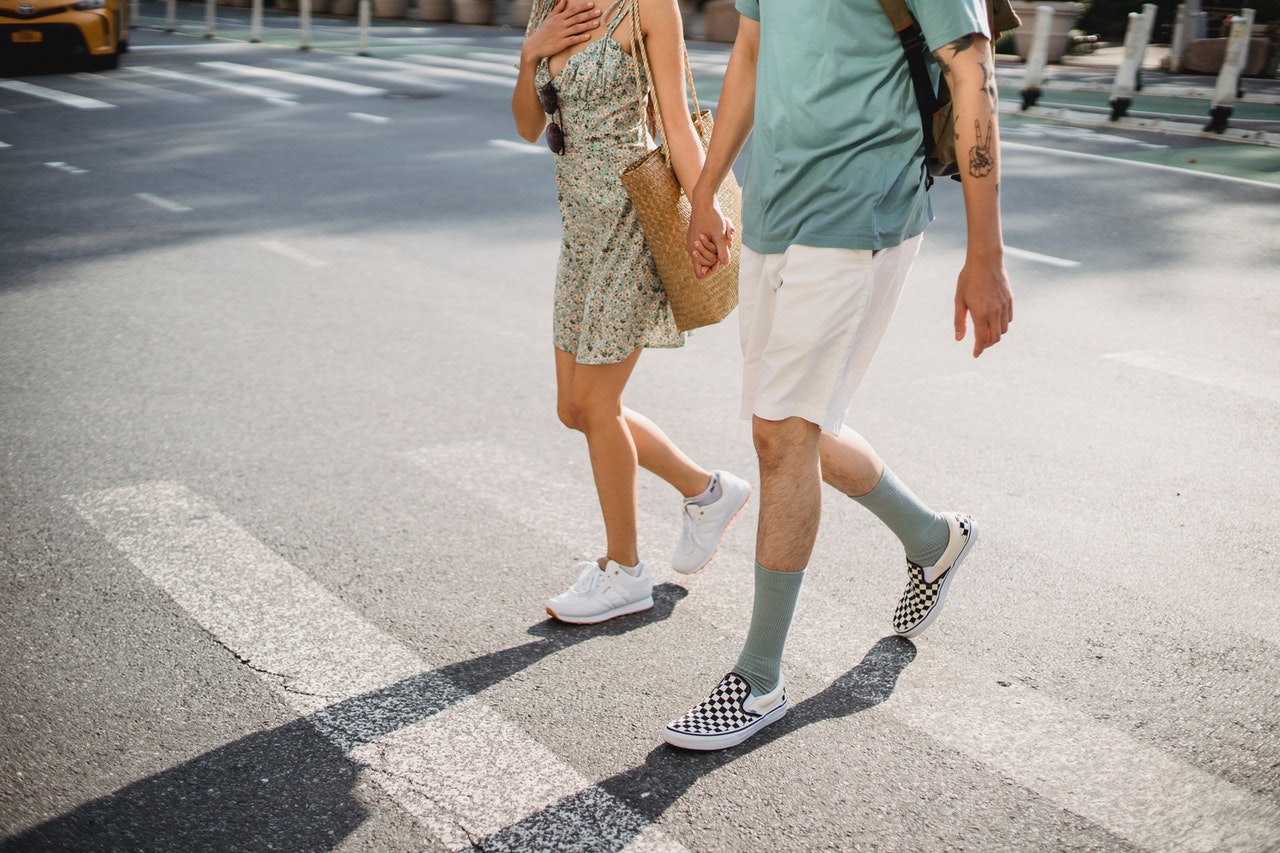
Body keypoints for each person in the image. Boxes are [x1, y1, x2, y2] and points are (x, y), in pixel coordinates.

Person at [662, 0, 1014, 750]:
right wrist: (705, 191)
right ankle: (934, 538)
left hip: (862, 208)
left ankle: (758, 677)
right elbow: (752, 53)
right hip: (775, 206)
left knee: (781, 434)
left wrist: (986, 251)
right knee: (798, 428)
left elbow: (973, 69)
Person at [511, 0, 750, 624]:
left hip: (630, 226)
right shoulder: (549, 6)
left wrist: (705, 206)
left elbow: (675, 122)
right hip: (580, 237)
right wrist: (532, 51)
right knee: (575, 409)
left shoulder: (648, 6)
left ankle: (625, 571)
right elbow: (526, 126)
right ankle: (707, 491)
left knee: (595, 404)